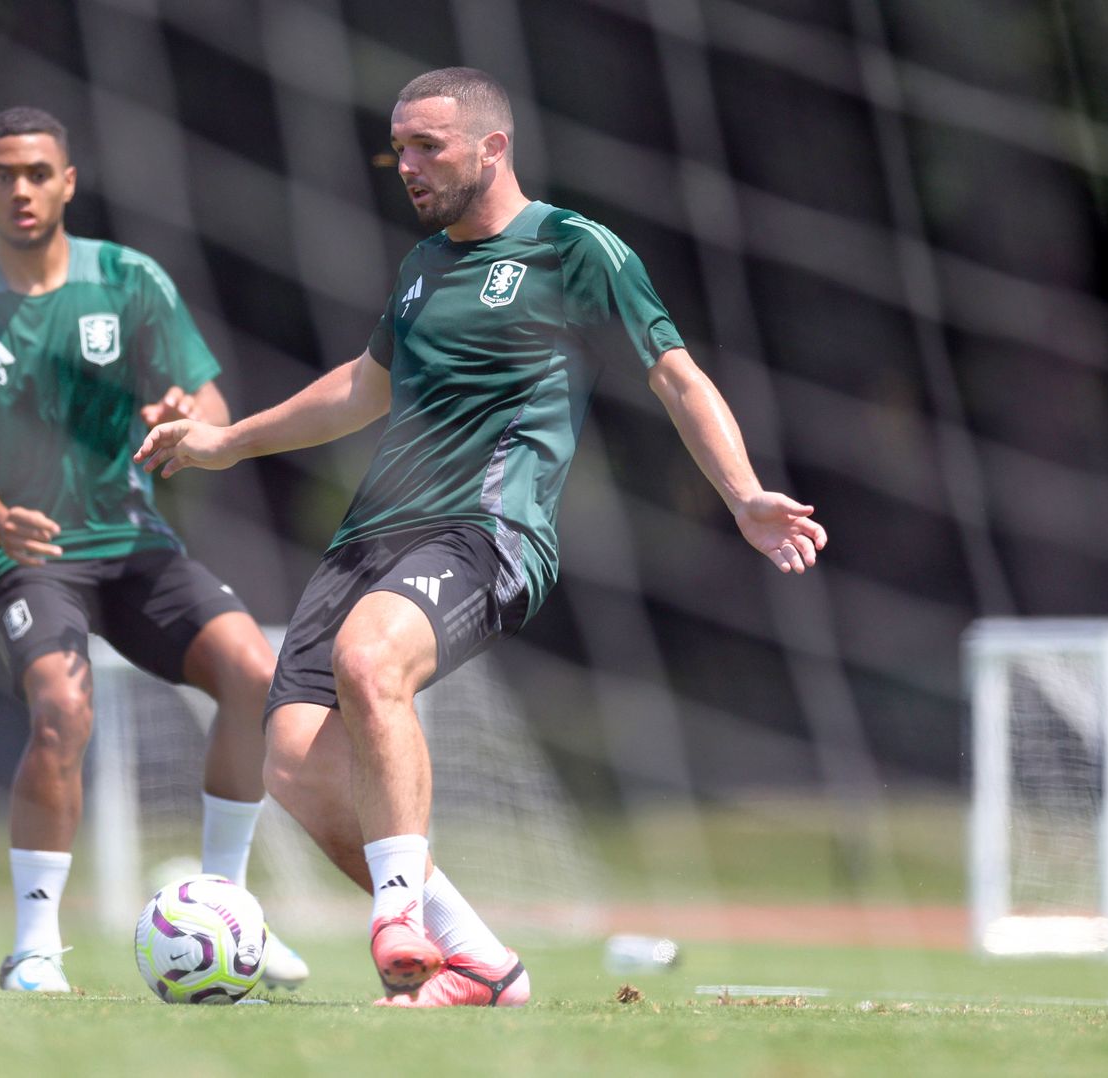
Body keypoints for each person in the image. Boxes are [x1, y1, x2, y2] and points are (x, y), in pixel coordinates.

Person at [135, 68, 826, 1007]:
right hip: (369, 541)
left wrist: (744, 496)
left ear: (493, 146)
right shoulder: (423, 266)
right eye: (400, 149)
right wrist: (225, 441)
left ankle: (395, 921)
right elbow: (362, 387)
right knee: (293, 762)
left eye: (429, 146)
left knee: (371, 662)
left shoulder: (574, 247)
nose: (408, 166)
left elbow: (675, 375)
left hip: (488, 531)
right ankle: (484, 968)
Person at [0, 106, 307, 993]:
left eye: (38, 171)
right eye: (4, 173)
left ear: (67, 182)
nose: (22, 188)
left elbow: (209, 409)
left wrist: (183, 420)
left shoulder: (130, 283)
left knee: (254, 673)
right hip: (27, 555)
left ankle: (227, 908)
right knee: (61, 710)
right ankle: (35, 949)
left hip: (133, 545)